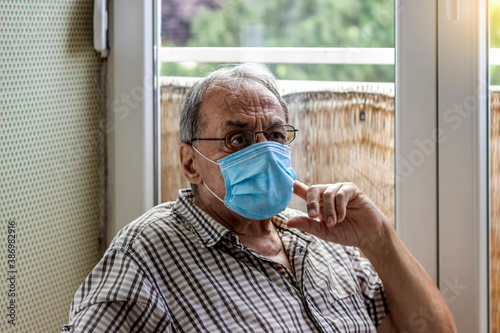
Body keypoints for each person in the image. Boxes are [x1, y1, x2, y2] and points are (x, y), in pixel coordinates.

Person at [62, 63, 456, 332]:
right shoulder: (148, 250)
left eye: (277, 134)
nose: (265, 151)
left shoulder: (323, 238)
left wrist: (378, 239)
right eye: (239, 139)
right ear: (190, 163)